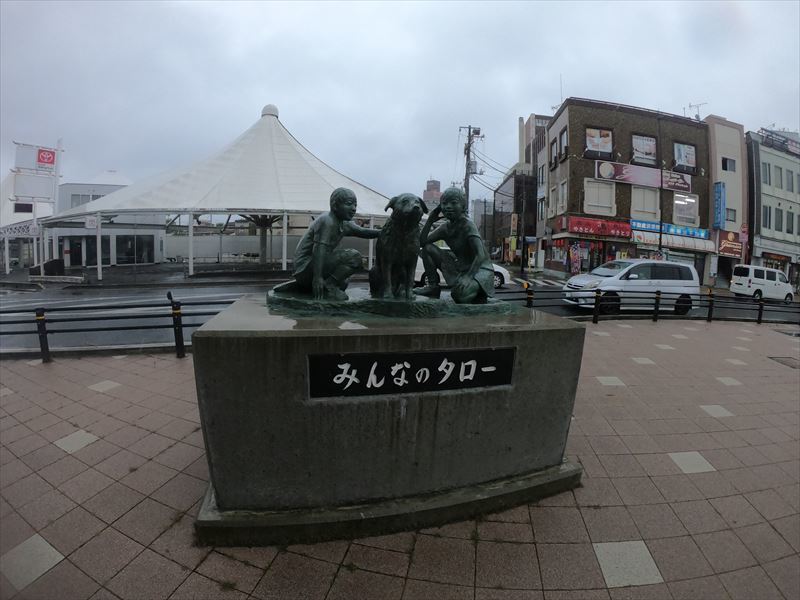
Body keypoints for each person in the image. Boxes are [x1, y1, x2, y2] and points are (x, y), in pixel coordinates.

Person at [275, 187, 380, 301]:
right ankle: (328, 287)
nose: (354, 208)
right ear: (335, 205)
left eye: (355, 205)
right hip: (304, 268)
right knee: (354, 257)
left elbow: (364, 232)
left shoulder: (344, 223)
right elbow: (318, 250)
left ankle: (323, 286)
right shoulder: (327, 221)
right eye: (349, 204)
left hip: (313, 267)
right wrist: (317, 278)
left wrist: (385, 231)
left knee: (344, 282)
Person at [414, 187, 494, 304]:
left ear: (463, 206)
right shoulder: (445, 228)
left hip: (479, 270)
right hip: (460, 269)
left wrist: (468, 277)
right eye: (444, 203)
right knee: (427, 248)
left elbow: (480, 255)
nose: (448, 207)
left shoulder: (468, 225)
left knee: (460, 296)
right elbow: (422, 242)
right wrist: (430, 220)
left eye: (453, 203)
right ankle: (433, 287)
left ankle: (477, 291)